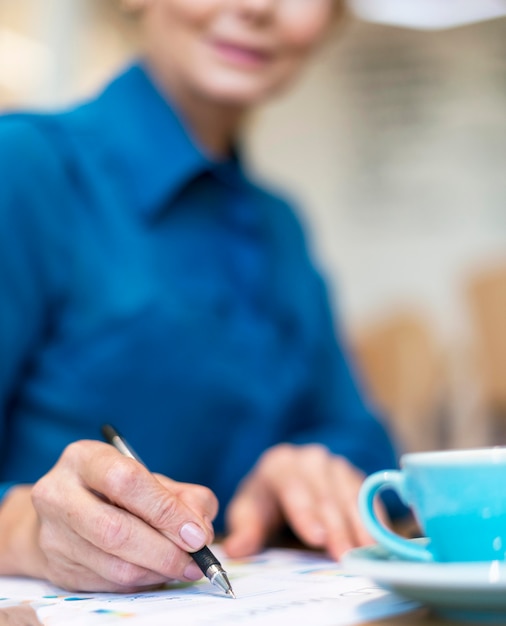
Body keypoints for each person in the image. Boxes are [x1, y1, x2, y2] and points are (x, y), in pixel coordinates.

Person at [0, 0, 403, 593]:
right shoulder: (23, 172)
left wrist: (308, 470)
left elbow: (364, 447)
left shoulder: (280, 227)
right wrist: (26, 531)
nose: (257, 6)